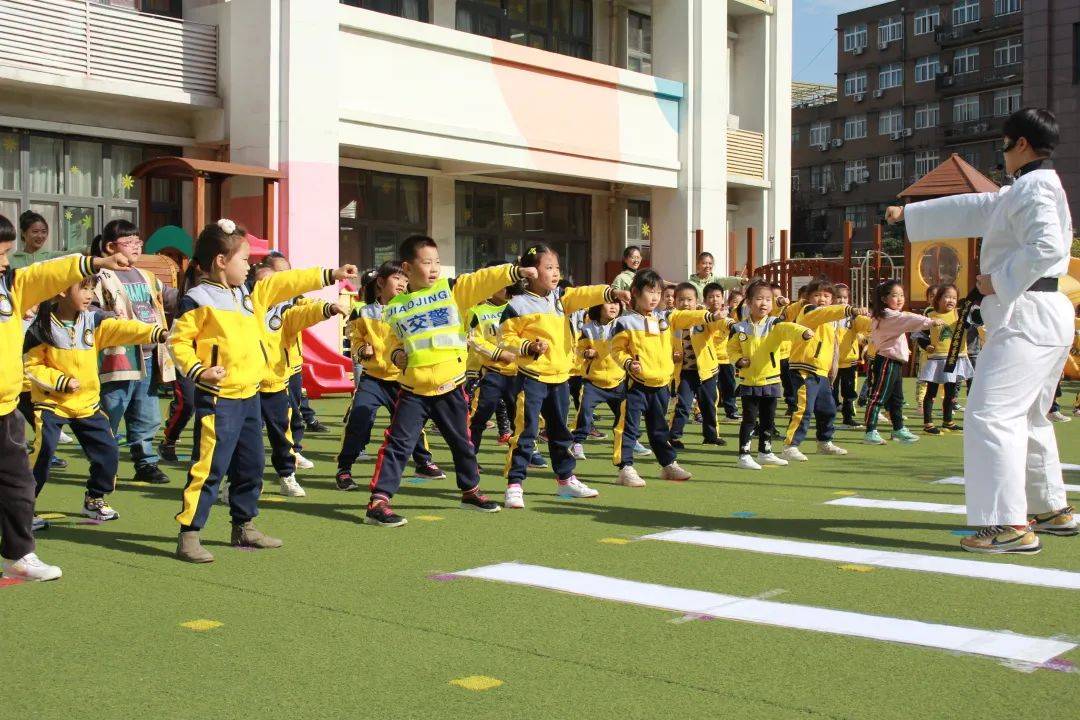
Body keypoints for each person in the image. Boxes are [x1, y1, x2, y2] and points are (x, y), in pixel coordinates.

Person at [887, 107, 1076, 553]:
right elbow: (979, 205)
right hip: (1044, 313)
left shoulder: (1032, 190)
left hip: (1026, 314)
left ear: (1021, 145)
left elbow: (1046, 245)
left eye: (1006, 144)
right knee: (1028, 415)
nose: (1003, 153)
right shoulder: (1031, 188)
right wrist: (909, 215)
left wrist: (999, 279)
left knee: (991, 415)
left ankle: (1008, 524)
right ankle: (1050, 509)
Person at [168, 219, 357, 562]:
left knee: (251, 465)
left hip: (249, 395)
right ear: (221, 261)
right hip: (218, 399)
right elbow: (178, 343)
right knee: (208, 468)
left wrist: (330, 273)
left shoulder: (248, 296)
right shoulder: (196, 300)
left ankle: (244, 525)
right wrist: (200, 370)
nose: (250, 266)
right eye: (244, 260)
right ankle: (189, 533)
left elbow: (287, 281)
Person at [0, 212, 130, 582]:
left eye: (8, 253)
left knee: (18, 484)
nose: (6, 261)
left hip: (6, 407)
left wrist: (95, 262)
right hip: (39, 403)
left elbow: (46, 274)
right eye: (0, 254)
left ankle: (20, 554)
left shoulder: (11, 286)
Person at [366, 236, 523, 527]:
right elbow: (392, 342)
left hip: (451, 385)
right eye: (427, 262)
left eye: (437, 261)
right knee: (398, 444)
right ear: (407, 267)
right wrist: (397, 354)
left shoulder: (452, 290)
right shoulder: (395, 307)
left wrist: (514, 271)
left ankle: (471, 491)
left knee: (462, 442)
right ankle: (379, 501)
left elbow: (482, 279)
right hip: (413, 390)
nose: (435, 268)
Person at [24, 277, 164, 521]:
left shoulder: (94, 320)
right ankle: (22, 508)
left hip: (87, 403)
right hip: (52, 403)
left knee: (108, 451)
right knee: (42, 453)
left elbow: (122, 329)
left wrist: (153, 332)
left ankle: (95, 498)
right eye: (83, 288)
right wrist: (61, 381)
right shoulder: (41, 328)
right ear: (61, 291)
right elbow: (31, 364)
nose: (90, 294)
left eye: (91, 288)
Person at [498, 244, 625, 508]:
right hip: (531, 377)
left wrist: (609, 291)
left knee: (560, 432)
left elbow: (583, 294)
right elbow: (506, 338)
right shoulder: (516, 305)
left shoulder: (561, 299)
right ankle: (515, 484)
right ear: (530, 272)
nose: (555, 273)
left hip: (559, 378)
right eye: (548, 268)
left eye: (557, 267)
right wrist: (528, 347)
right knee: (526, 431)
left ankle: (566, 480)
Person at [610, 269, 723, 487]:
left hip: (661, 384)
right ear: (635, 292)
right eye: (650, 292)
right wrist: (627, 363)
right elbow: (617, 350)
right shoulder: (625, 322)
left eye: (658, 293)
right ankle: (625, 467)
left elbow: (685, 316)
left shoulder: (665, 317)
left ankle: (668, 464)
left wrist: (708, 315)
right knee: (628, 427)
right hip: (636, 385)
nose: (654, 297)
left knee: (659, 427)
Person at [337, 263, 444, 491]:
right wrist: (360, 351)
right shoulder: (363, 311)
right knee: (360, 417)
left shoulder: (410, 310)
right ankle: (344, 468)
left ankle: (423, 461)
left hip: (402, 379)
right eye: (397, 278)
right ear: (381, 282)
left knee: (411, 423)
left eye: (405, 280)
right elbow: (354, 341)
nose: (403, 284)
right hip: (373, 378)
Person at [91, 220, 177, 485]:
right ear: (109, 247)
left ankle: (145, 462)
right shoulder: (100, 276)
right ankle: (105, 463)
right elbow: (89, 308)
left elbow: (171, 298)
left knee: (147, 413)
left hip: (149, 356)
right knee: (112, 409)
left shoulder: (146, 276)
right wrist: (108, 317)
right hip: (119, 356)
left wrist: (196, 293)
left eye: (138, 241)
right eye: (129, 242)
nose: (136, 246)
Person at [257, 267, 348, 498]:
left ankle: (287, 475)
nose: (274, 288)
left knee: (282, 433)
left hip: (275, 383)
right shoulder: (245, 311)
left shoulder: (284, 312)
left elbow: (304, 314)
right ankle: (236, 481)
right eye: (266, 284)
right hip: (247, 385)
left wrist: (328, 308)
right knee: (245, 438)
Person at [727, 280, 814, 470]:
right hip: (749, 381)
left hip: (771, 380)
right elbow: (731, 349)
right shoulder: (739, 328)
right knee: (750, 419)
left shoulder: (774, 324)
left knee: (768, 418)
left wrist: (804, 332)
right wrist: (738, 360)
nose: (764, 303)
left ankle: (765, 451)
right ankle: (744, 454)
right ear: (748, 302)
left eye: (768, 299)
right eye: (759, 299)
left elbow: (789, 328)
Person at [781, 279, 864, 461]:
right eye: (817, 295)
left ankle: (824, 441)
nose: (822, 299)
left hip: (821, 372)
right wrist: (848, 309)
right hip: (804, 369)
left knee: (828, 409)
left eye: (826, 296)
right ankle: (790, 445)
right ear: (808, 298)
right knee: (804, 409)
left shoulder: (831, 320)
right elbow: (825, 312)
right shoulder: (809, 311)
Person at [862, 280, 941, 445]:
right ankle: (870, 431)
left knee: (896, 399)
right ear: (884, 299)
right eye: (894, 296)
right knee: (879, 396)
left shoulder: (887, 315)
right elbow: (908, 319)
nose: (899, 299)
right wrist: (931, 321)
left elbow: (903, 323)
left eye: (901, 295)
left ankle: (898, 429)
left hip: (894, 362)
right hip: (886, 362)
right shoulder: (888, 315)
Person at [669, 282, 726, 449]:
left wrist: (726, 322)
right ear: (674, 301)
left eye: (689, 300)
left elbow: (717, 325)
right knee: (683, 406)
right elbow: (666, 343)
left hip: (707, 371)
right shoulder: (672, 318)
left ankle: (711, 436)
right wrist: (672, 355)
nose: (685, 303)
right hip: (685, 372)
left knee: (709, 404)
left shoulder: (704, 316)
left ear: (696, 301)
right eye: (681, 300)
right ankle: (673, 437)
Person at [917, 284, 976, 434]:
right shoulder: (931, 316)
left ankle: (947, 421)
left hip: (956, 358)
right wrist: (926, 345)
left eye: (954, 297)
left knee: (951, 393)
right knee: (931, 392)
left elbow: (973, 322)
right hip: (937, 359)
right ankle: (928, 423)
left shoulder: (960, 314)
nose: (951, 300)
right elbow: (920, 335)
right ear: (938, 299)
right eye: (947, 297)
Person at [569, 300, 624, 460]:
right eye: (609, 304)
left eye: (616, 303)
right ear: (598, 307)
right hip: (593, 382)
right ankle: (577, 443)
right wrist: (586, 353)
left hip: (618, 380)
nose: (614, 307)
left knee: (624, 415)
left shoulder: (622, 325)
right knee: (584, 412)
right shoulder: (588, 329)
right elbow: (579, 349)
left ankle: (629, 442)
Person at [833, 283, 872, 429]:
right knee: (832, 391)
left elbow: (860, 332)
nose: (842, 300)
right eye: (838, 297)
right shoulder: (829, 315)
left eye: (844, 297)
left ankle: (848, 417)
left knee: (849, 391)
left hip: (850, 360)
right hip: (832, 362)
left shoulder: (853, 316)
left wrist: (865, 339)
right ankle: (828, 418)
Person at [705, 282, 739, 420]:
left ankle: (731, 411)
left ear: (723, 298)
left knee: (729, 385)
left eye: (718, 296)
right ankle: (703, 413)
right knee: (710, 389)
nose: (715, 299)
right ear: (705, 300)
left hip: (726, 358)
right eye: (711, 297)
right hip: (709, 358)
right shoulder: (703, 316)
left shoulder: (727, 316)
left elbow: (730, 324)